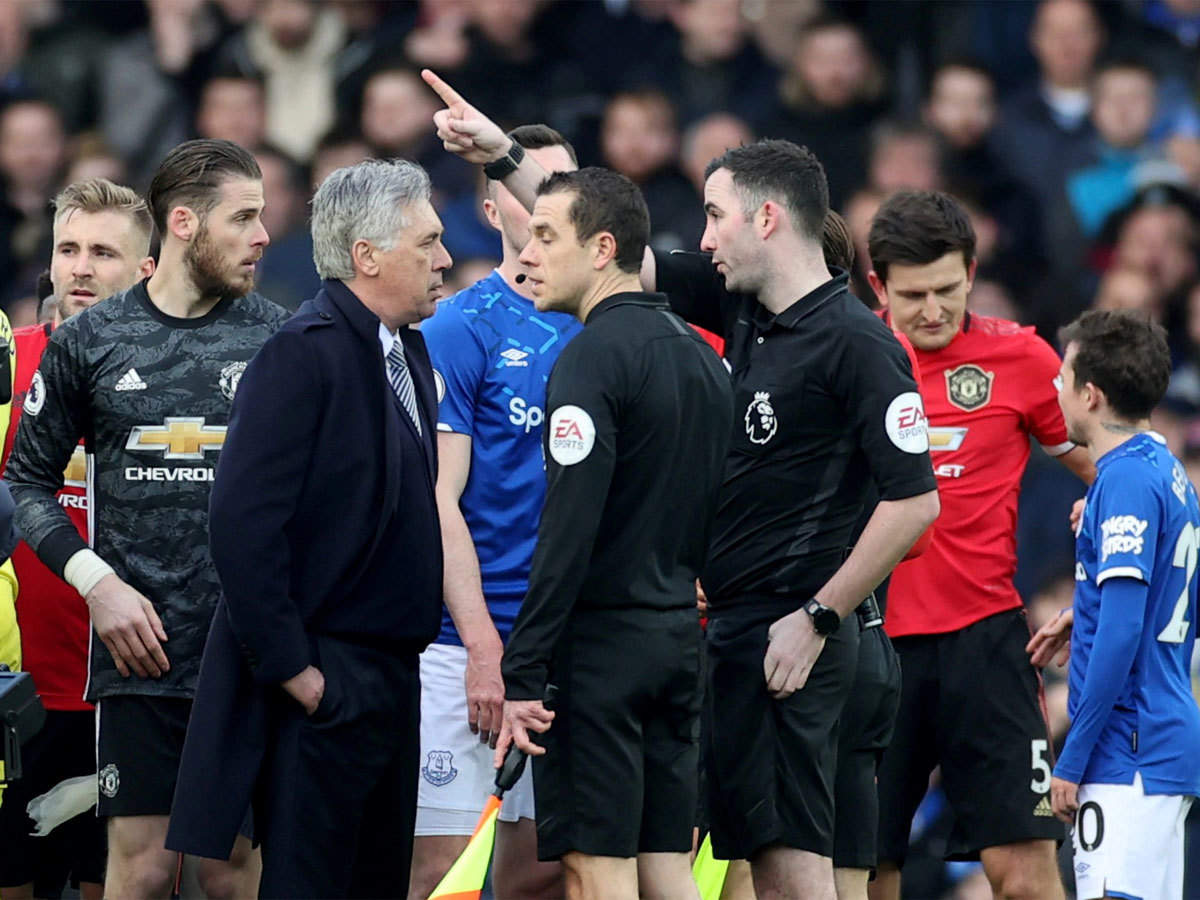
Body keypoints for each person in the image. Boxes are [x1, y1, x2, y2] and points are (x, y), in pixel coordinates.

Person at [423, 68, 940, 900]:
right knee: (738, 868)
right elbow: (600, 241)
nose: (702, 240)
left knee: (788, 870)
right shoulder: (743, 309)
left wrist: (816, 616)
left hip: (793, 635)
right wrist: (504, 153)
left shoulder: (857, 342)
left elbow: (916, 498)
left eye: (713, 216)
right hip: (725, 633)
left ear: (766, 218)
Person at [6, 139, 283, 900]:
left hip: (248, 655)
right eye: (247, 217)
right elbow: (27, 480)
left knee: (231, 875)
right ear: (187, 225)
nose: (264, 235)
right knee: (143, 870)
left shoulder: (277, 339)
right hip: (138, 659)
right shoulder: (93, 340)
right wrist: (99, 585)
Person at [166, 158, 450, 898]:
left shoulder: (406, 351)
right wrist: (297, 671)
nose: (443, 260)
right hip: (328, 674)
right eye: (427, 244)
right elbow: (240, 523)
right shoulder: (303, 350)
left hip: (393, 673)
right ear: (367, 255)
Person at [485, 163, 731, 899]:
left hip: (599, 656)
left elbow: (568, 528)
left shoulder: (588, 359)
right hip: (676, 644)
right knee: (665, 868)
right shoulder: (700, 355)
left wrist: (523, 673)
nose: (528, 253)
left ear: (600, 249)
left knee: (597, 870)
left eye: (545, 236)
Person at [864, 190, 1095, 900]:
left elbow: (1107, 460)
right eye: (913, 296)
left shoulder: (1021, 357)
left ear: (971, 270)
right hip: (872, 648)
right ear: (878, 287)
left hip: (988, 647)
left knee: (1025, 872)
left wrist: (1101, 501)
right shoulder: (848, 355)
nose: (933, 310)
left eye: (947, 289)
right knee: (866, 872)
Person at [408, 124, 579, 900]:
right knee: (440, 873)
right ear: (492, 208)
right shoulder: (459, 327)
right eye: (533, 190)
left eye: (567, 191)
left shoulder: (613, 322)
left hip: (575, 645)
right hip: (464, 647)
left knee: (540, 875)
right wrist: (482, 645)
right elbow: (438, 496)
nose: (551, 209)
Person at [0, 177, 154, 900]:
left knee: (115, 885)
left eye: (103, 252)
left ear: (148, 269)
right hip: (16, 689)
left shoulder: (176, 379)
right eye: (68, 249)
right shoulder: (7, 368)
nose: (81, 268)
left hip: (127, 691)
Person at [1050, 309, 1200, 900]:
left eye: (1063, 377)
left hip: (1128, 750)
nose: (1055, 389)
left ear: (1090, 394)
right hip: (1161, 741)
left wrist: (1073, 756)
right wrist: (1083, 611)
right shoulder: (1164, 469)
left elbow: (1122, 631)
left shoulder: (1126, 484)